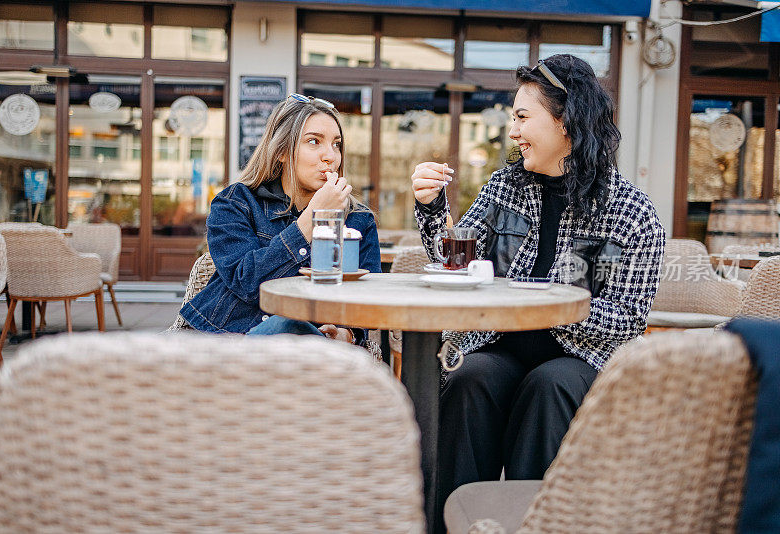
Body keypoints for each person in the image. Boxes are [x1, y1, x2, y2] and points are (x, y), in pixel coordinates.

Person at [411, 54, 665, 532]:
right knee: (471, 376)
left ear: (566, 120)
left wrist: (549, 305)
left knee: (549, 386)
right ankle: (449, 523)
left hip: (577, 359)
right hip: (498, 346)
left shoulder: (628, 212)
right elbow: (456, 261)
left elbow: (627, 319)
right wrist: (430, 208)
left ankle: (538, 524)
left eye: (522, 117)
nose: (512, 130)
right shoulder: (505, 188)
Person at [180, 94, 381, 345]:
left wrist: (347, 333)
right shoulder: (235, 202)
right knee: (287, 325)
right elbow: (248, 284)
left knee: (297, 332)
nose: (330, 156)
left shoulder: (359, 219)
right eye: (314, 141)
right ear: (282, 151)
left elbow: (369, 298)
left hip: (314, 347)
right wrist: (312, 220)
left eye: (337, 144)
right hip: (228, 337)